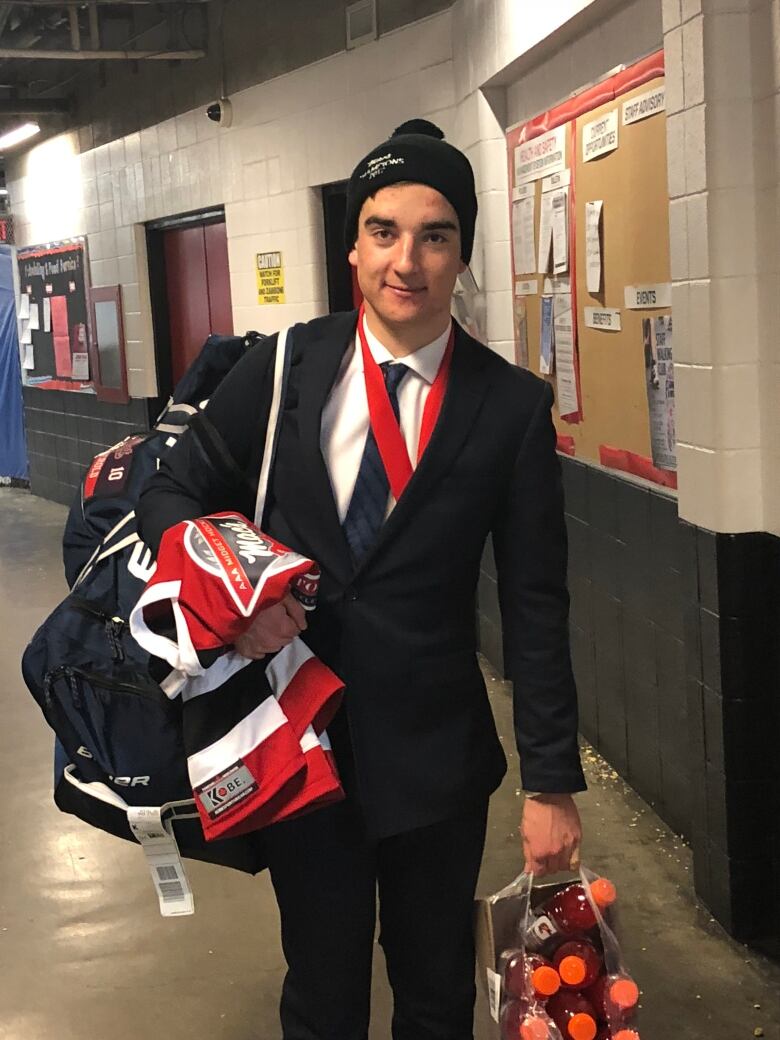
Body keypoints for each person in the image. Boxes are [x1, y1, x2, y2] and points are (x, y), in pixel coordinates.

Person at [137, 118, 586, 1040]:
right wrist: (238, 592)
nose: (406, 260)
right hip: (304, 751)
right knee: (322, 996)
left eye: (435, 235)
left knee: (434, 999)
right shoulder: (286, 368)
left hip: (437, 765)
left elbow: (536, 602)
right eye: (384, 230)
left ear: (461, 253)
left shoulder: (507, 407)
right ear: (353, 243)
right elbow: (166, 487)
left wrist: (551, 783)